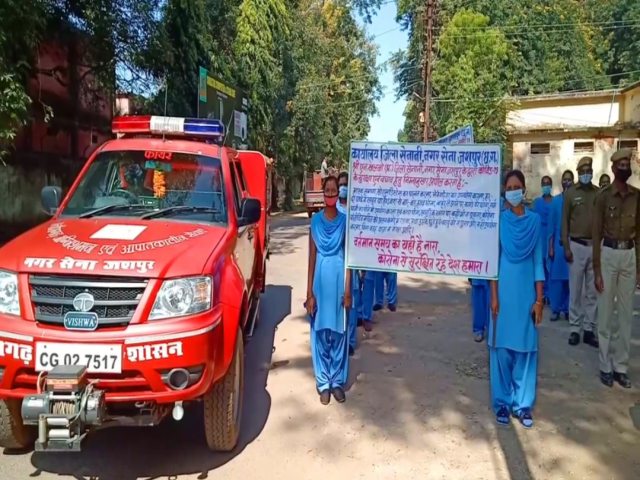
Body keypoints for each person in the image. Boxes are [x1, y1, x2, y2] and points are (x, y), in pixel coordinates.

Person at [489, 169, 544, 429]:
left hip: (526, 295)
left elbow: (538, 264)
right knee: (502, 350)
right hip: (503, 292)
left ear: (523, 190)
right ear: (504, 191)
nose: (512, 190)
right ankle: (502, 402)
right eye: (508, 186)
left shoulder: (534, 222)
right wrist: (493, 295)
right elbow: (492, 263)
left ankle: (522, 406)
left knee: (525, 349)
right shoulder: (499, 221)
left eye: (516, 186)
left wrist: (539, 300)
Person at [593, 149, 639, 389]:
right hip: (609, 254)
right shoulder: (603, 197)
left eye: (627, 163)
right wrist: (597, 270)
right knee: (605, 313)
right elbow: (596, 233)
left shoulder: (636, 196)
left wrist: (638, 266)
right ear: (613, 169)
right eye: (620, 164)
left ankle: (621, 366)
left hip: (629, 254)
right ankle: (605, 365)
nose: (624, 167)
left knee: (625, 315)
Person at [306, 175, 352, 404]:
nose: (332, 194)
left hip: (338, 279)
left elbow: (350, 259)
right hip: (320, 283)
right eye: (329, 191)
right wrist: (309, 293)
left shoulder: (346, 222)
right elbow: (311, 257)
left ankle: (337, 381)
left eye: (336, 191)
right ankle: (323, 381)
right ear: (323, 193)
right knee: (321, 333)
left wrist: (348, 289)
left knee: (339, 332)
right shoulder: (314, 222)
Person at [562, 156, 599, 347]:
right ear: (578, 173)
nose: (586, 173)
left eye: (589, 170)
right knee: (575, 290)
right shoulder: (570, 194)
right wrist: (566, 247)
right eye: (583, 171)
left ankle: (589, 329)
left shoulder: (598, 193)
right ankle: (575, 329)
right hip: (576, 246)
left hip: (594, 246)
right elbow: (564, 223)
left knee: (592, 292)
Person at [336, 171, 360, 353]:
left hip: (353, 263)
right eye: (340, 185)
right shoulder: (332, 210)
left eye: (346, 184)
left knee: (351, 305)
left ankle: (350, 342)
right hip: (337, 264)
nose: (343, 188)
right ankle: (340, 340)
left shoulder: (356, 209)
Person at [548, 170, 573, 321]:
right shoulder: (556, 202)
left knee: (570, 280)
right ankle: (556, 309)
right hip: (557, 244)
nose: (567, 182)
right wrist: (550, 246)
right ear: (561, 182)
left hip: (572, 243)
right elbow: (551, 226)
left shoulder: (576, 200)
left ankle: (568, 309)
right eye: (565, 179)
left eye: (570, 179)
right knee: (556, 279)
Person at [533, 176, 554, 302]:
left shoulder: (555, 202)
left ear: (551, 185)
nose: (546, 185)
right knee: (540, 266)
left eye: (548, 183)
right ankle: (541, 294)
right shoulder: (537, 203)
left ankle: (551, 295)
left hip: (550, 237)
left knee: (550, 267)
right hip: (539, 237)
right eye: (544, 183)